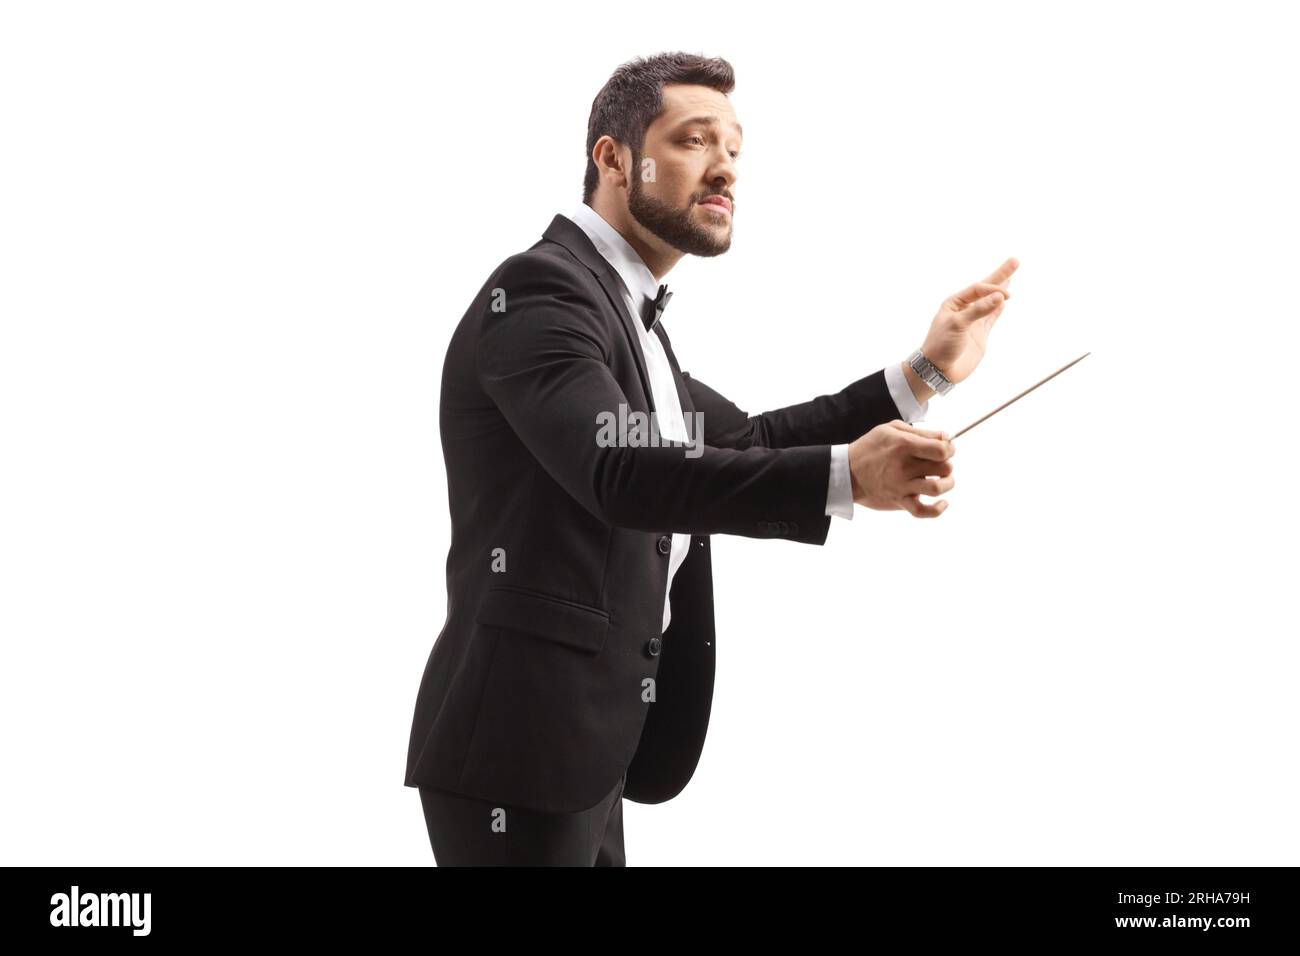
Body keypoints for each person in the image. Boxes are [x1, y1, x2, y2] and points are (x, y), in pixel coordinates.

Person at [404, 51, 1018, 865]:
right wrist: (846, 477)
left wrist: (925, 373)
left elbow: (751, 442)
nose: (725, 167)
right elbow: (617, 472)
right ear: (614, 159)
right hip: (519, 751)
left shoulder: (634, 322)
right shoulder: (544, 295)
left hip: (588, 754)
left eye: (735, 148)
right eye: (695, 140)